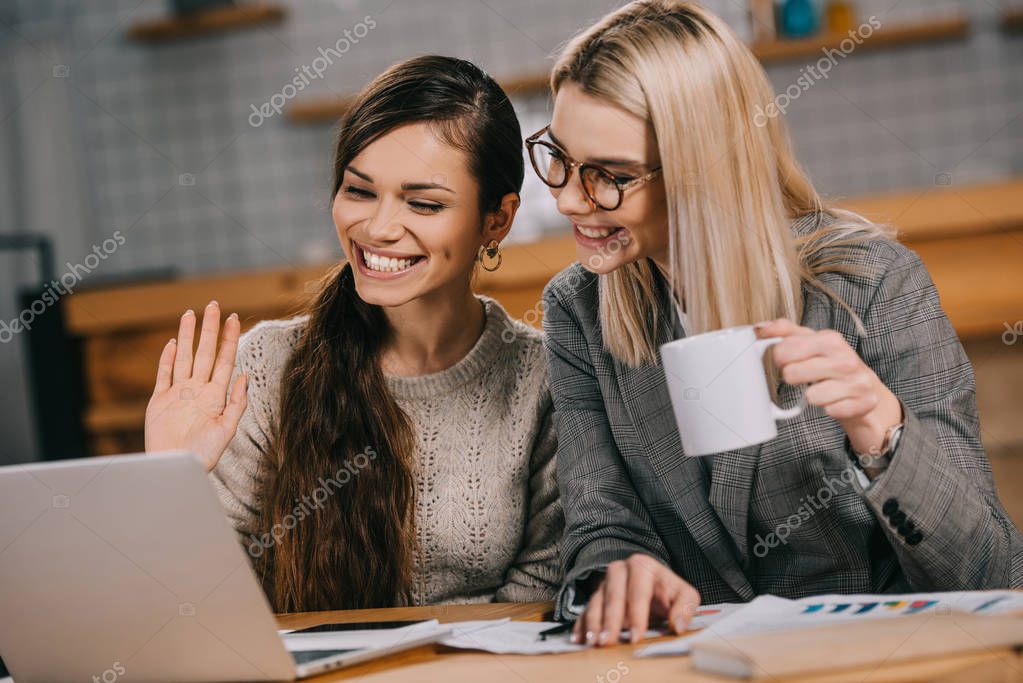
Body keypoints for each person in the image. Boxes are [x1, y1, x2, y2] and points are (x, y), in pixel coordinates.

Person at [531, 0, 1022, 646]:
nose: (567, 198)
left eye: (610, 177)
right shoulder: (580, 308)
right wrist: (619, 575)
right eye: (559, 158)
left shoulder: (875, 283)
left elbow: (991, 572)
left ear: (700, 168)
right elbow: (603, 525)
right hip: (696, 663)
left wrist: (884, 433)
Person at [144, 55, 562, 612]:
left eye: (424, 203)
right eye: (360, 191)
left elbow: (545, 583)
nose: (378, 228)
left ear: (497, 219)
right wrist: (171, 487)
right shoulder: (267, 366)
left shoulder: (543, 377)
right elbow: (204, 610)